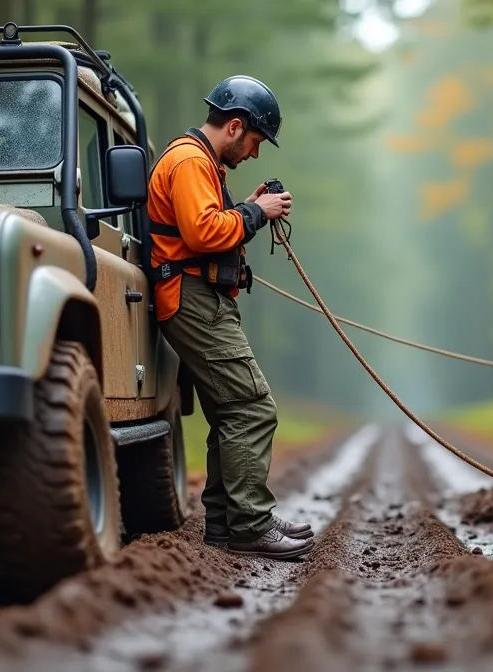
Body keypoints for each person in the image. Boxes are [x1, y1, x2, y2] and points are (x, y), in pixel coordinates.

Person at [145, 75, 314, 560]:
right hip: (192, 299)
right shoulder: (190, 160)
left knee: (227, 413)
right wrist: (257, 212)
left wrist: (248, 206)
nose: (256, 153)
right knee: (252, 407)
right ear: (236, 126)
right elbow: (203, 233)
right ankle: (251, 524)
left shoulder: (199, 163)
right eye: (257, 141)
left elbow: (209, 227)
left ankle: (226, 524)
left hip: (204, 298)